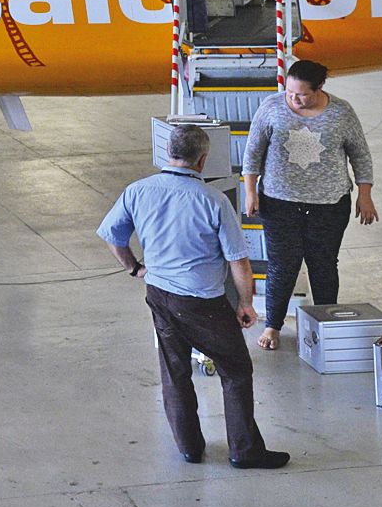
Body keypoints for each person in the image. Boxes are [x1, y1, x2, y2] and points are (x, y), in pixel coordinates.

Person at [98, 124, 291, 469]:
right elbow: (238, 260)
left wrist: (135, 269)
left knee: (174, 372)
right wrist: (246, 303)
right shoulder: (212, 201)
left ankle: (189, 447)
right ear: (203, 160)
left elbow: (113, 236)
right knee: (235, 369)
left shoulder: (138, 190)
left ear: (168, 153)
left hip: (159, 294)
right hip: (203, 303)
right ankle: (244, 450)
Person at [241, 59, 378, 350]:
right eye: (290, 93)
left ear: (320, 88)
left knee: (324, 265)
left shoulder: (341, 112)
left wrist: (364, 194)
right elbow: (253, 151)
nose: (293, 99)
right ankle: (273, 326)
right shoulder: (271, 107)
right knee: (282, 265)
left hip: (328, 204)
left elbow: (360, 154)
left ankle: (326, 324)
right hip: (279, 202)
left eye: (301, 94)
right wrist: (250, 191)